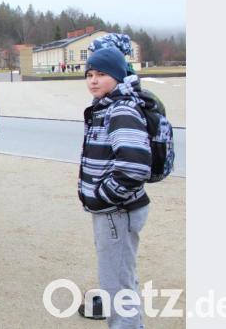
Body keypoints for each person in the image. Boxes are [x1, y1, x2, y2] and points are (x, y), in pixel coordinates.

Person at [77, 47, 152, 326]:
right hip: (113, 211)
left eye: (102, 74)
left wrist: (101, 197)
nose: (93, 80)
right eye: (90, 74)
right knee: (122, 278)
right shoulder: (106, 106)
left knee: (116, 287)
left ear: (119, 77)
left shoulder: (120, 110)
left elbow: (134, 166)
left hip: (116, 211)